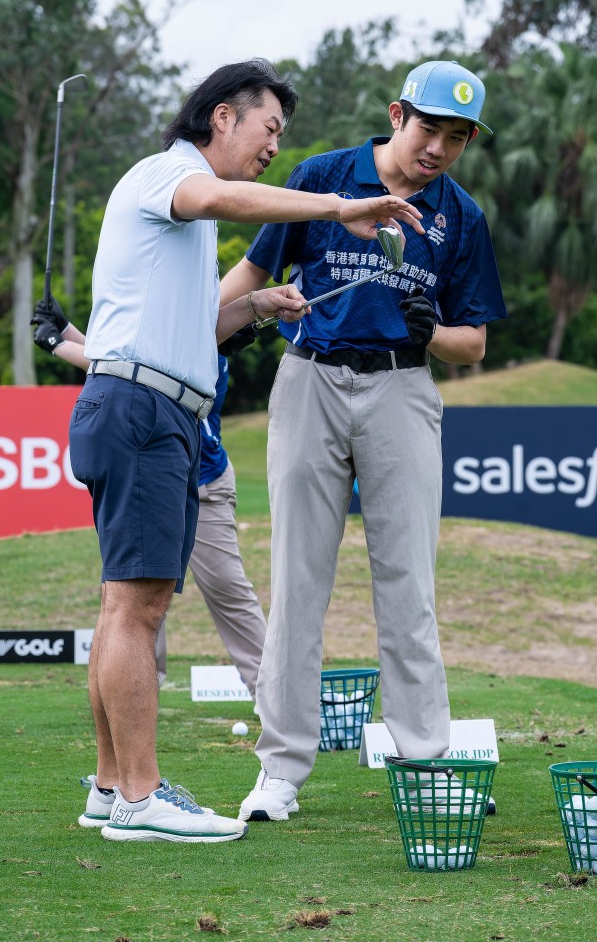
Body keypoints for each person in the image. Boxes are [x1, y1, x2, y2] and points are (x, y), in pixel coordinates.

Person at [50, 58, 423, 845]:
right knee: (138, 608)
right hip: (142, 410)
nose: (273, 146)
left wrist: (254, 304)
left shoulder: (181, 216)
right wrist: (340, 206)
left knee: (123, 604)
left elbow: (192, 329)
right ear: (223, 116)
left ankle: (112, 786)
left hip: (147, 407)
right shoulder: (169, 176)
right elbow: (222, 197)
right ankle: (141, 796)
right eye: (269, 128)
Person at [219, 59, 506, 822]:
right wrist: (210, 318)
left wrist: (432, 332)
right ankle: (280, 769)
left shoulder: (460, 216)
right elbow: (254, 271)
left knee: (409, 584)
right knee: (297, 580)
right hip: (310, 378)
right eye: (429, 128)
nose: (438, 148)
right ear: (396, 114)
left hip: (402, 387)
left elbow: (474, 342)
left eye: (457, 137)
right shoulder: (323, 178)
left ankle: (424, 760)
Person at [30, 310, 266, 698]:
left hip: (206, 485)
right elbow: (120, 358)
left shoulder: (189, 346)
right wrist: (66, 328)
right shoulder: (174, 332)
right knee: (137, 591)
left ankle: (272, 697)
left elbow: (122, 369)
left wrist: (58, 343)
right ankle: (136, 695)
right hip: (156, 478)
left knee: (228, 591)